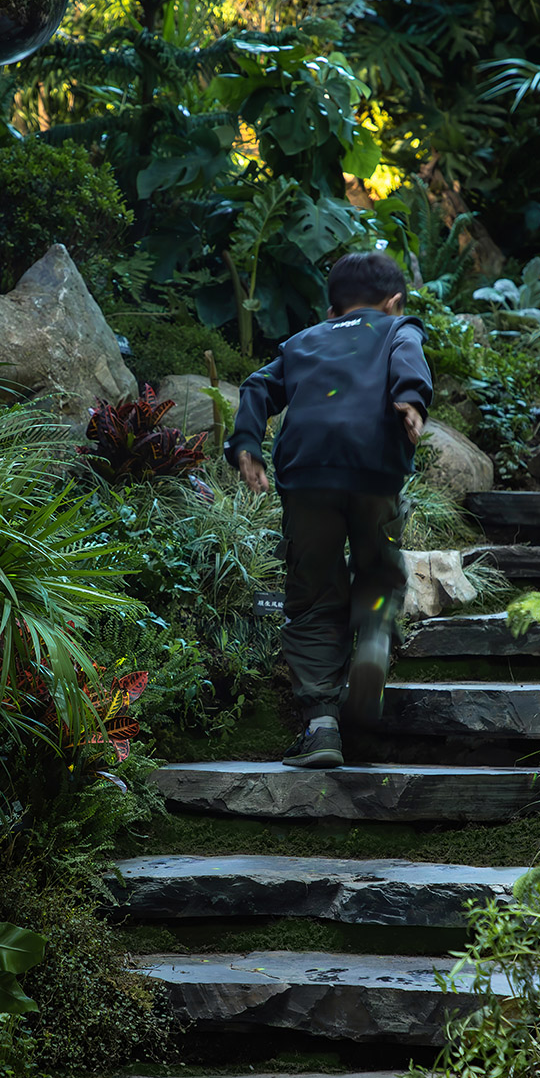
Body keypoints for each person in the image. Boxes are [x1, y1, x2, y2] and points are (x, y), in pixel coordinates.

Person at [224, 251, 432, 769]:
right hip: (372, 469)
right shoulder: (395, 328)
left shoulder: (302, 342)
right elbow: (409, 354)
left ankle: (321, 727)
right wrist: (409, 399)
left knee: (314, 592)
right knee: (379, 570)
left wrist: (247, 442)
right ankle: (374, 643)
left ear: (331, 307)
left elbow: (256, 385)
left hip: (307, 474)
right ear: (394, 301)